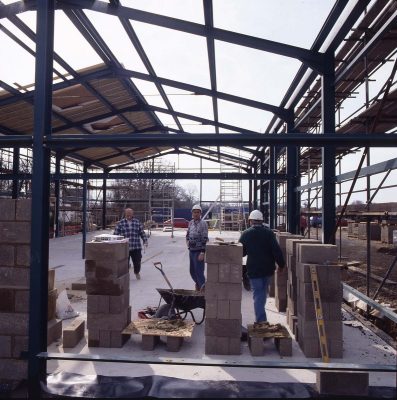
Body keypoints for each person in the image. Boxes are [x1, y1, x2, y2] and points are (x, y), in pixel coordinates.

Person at [238, 210, 285, 323]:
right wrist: (281, 265)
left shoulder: (246, 234)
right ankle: (261, 319)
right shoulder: (269, 233)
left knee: (258, 296)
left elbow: (240, 252)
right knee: (262, 295)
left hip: (254, 271)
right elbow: (276, 251)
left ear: (250, 221)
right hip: (268, 270)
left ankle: (261, 322)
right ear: (262, 221)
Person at [114, 208, 148, 280]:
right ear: (125, 214)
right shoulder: (121, 223)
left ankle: (136, 272)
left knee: (137, 261)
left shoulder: (137, 222)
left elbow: (142, 233)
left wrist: (145, 241)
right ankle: (126, 274)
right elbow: (115, 234)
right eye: (127, 214)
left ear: (133, 214)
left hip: (136, 246)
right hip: (125, 247)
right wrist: (114, 243)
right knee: (124, 263)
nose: (129, 215)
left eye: (130, 214)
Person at [186, 204, 208, 291]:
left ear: (200, 213)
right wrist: (187, 241)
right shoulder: (190, 223)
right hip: (191, 250)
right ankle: (199, 285)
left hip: (199, 252)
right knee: (192, 272)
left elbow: (205, 238)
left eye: (197, 212)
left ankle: (203, 289)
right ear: (192, 213)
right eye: (194, 212)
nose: (196, 214)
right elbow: (187, 234)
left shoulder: (203, 224)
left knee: (199, 272)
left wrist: (203, 252)